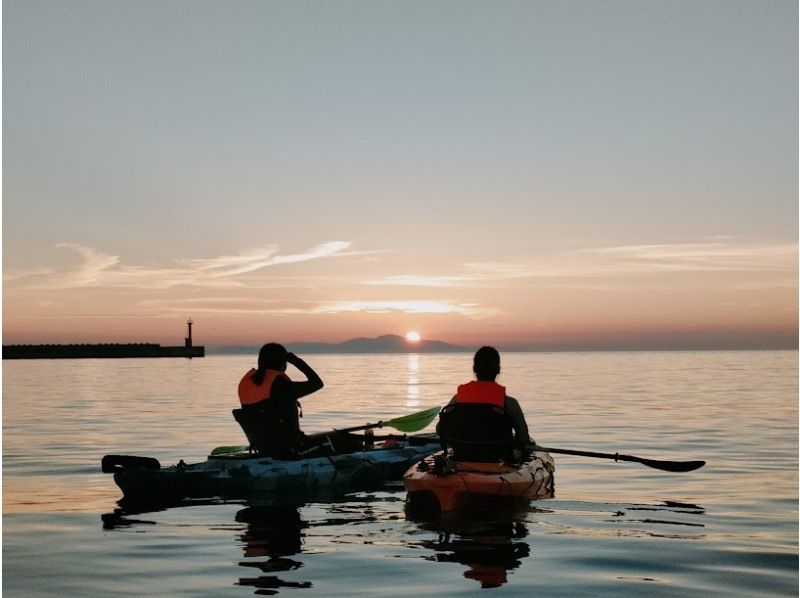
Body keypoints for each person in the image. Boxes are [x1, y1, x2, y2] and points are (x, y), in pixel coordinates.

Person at [439, 346, 534, 460]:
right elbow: (523, 439)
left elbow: (440, 430)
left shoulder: (458, 399)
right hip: (497, 457)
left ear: (474, 369)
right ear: (498, 370)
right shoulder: (510, 403)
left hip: (462, 455)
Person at [237, 343, 324, 456]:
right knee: (341, 441)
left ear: (260, 360)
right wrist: (297, 361)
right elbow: (317, 383)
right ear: (283, 362)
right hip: (288, 446)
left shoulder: (246, 382)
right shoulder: (280, 385)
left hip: (261, 445)